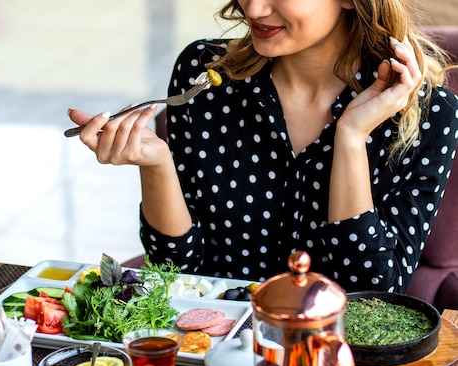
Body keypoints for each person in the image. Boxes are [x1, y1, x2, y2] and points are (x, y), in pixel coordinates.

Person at [67, 0, 458, 292]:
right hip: (210, 347)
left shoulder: (428, 114)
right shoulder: (204, 74)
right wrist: (156, 165)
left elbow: (371, 294)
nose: (253, 7)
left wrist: (351, 138)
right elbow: (176, 269)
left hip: (331, 360)